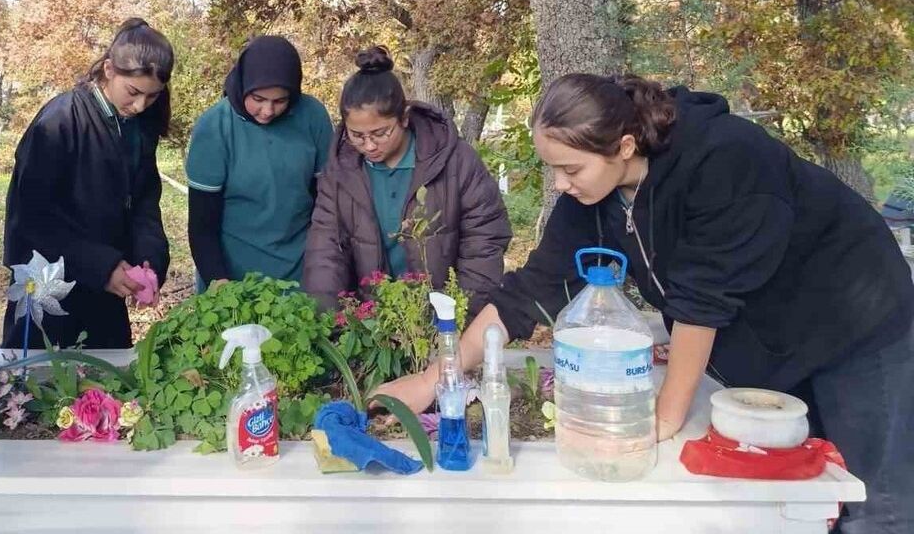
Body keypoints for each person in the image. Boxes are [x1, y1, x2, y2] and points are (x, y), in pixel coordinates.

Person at [379, 73, 914, 533]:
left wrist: (661, 419)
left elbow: (702, 302)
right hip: (771, 343)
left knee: (875, 501)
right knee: (802, 495)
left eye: (571, 169)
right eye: (553, 170)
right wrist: (436, 379)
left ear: (624, 146)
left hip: (856, 322)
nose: (560, 185)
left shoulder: (725, 157)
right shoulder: (592, 198)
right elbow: (529, 290)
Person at [2, 18, 173, 350]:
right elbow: (31, 219)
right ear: (109, 69)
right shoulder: (59, 121)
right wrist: (102, 266)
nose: (140, 106)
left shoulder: (139, 128)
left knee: (108, 376)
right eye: (134, 92)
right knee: (44, 377)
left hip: (106, 290)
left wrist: (149, 259)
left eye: (152, 97)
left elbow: (144, 204)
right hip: (50, 285)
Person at [303, 47, 512, 313]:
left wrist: (463, 316)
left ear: (403, 118)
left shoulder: (456, 161)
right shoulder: (339, 172)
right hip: (373, 319)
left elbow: (483, 242)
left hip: (445, 315)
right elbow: (325, 251)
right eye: (357, 135)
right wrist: (329, 320)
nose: (369, 145)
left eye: (380, 133)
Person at [186, 35, 334, 289]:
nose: (267, 111)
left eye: (280, 101)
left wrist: (325, 270)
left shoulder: (313, 117)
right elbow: (202, 227)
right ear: (243, 86)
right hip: (232, 275)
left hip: (300, 273)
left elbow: (327, 202)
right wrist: (219, 284)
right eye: (258, 99)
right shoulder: (215, 127)